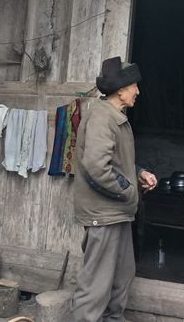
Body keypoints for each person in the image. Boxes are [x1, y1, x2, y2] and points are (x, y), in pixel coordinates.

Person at [71, 56, 158, 322]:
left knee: (121, 277)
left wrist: (138, 173)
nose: (138, 91)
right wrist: (130, 191)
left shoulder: (115, 116)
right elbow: (97, 167)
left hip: (117, 213)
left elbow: (116, 162)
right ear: (121, 90)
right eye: (134, 86)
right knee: (96, 285)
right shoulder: (102, 117)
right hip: (104, 214)